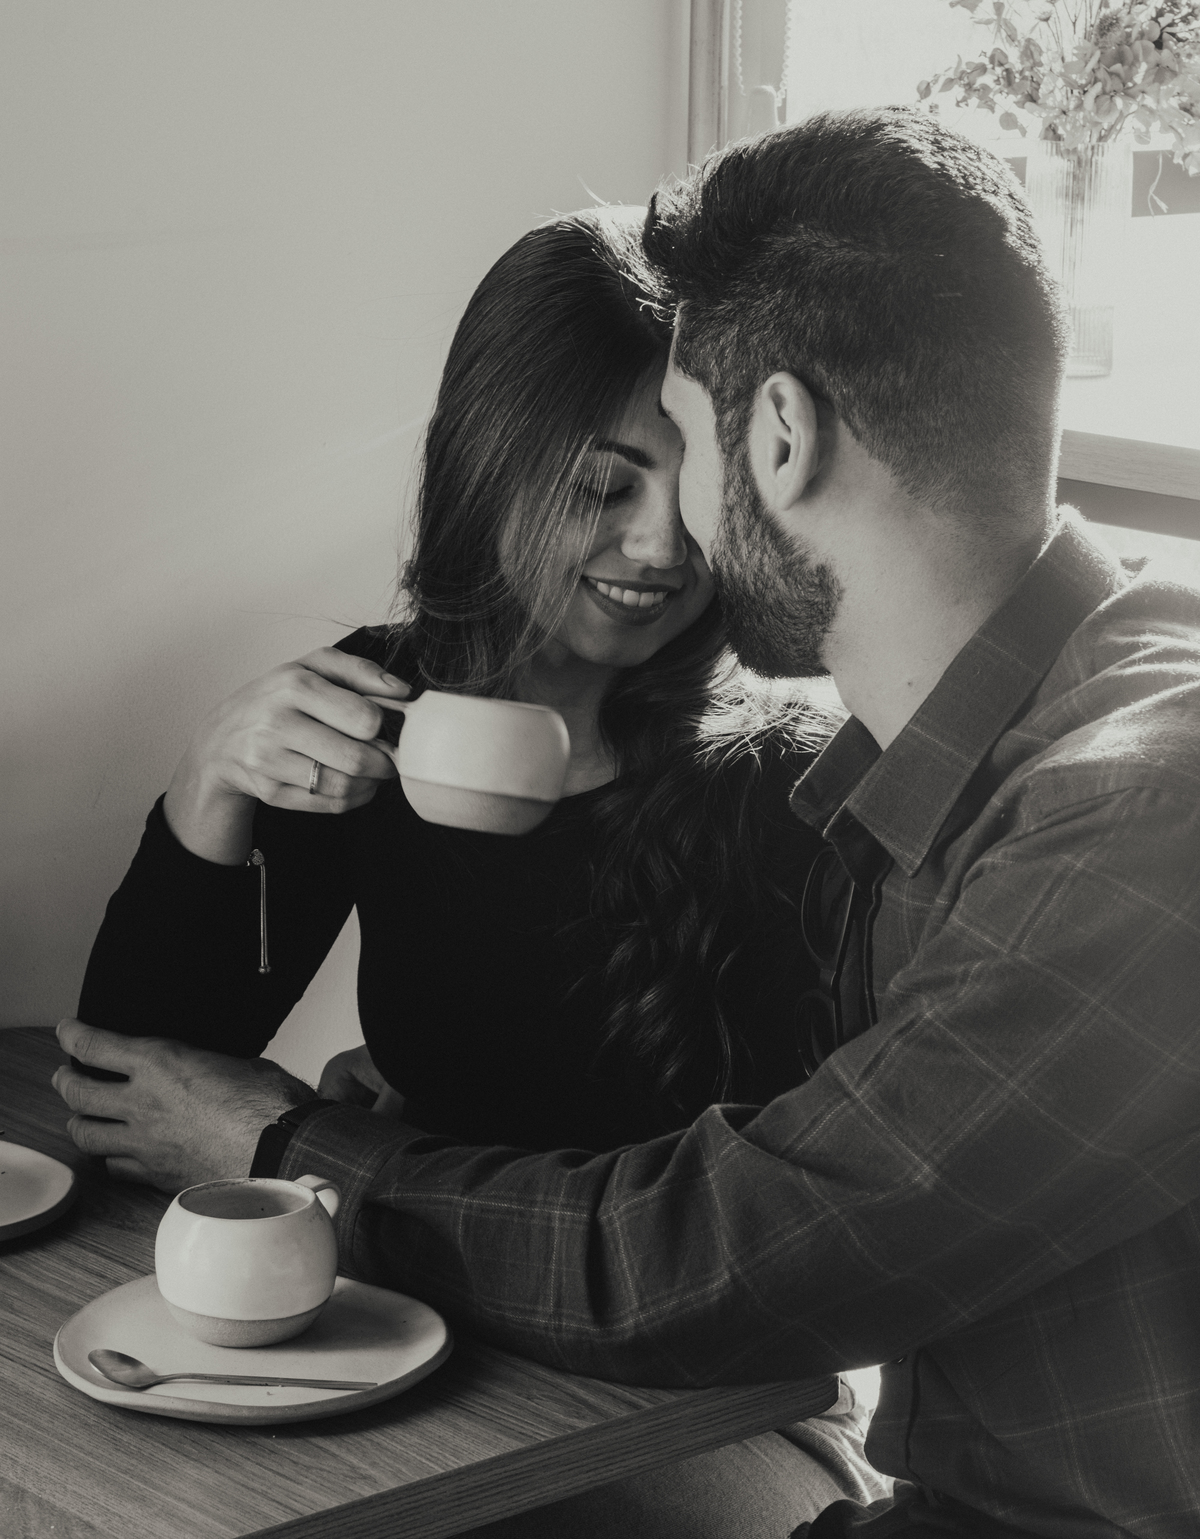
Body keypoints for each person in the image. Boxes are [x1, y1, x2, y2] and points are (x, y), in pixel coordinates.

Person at [57, 111, 1200, 1537]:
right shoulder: (959, 771)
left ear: (775, 437)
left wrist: (304, 1155)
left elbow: (727, 1254)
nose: (672, 540)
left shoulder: (1121, 805)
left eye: (686, 448)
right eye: (604, 484)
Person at [61, 205, 886, 1533]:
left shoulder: (781, 775)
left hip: (708, 1397)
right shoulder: (381, 709)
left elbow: (754, 1248)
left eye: (690, 491)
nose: (661, 548)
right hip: (420, 1345)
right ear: (489, 462)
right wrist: (211, 783)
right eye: (602, 487)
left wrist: (351, 1149)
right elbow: (132, 1093)